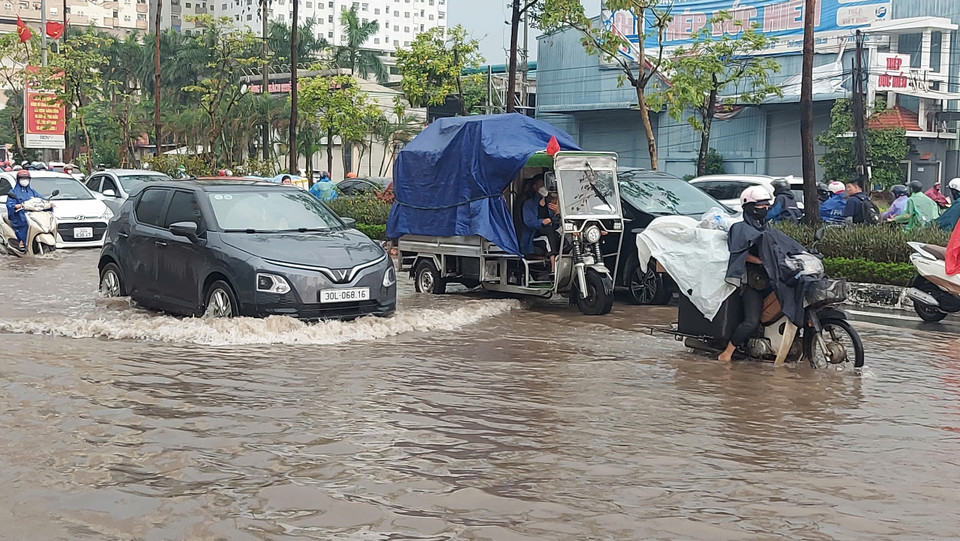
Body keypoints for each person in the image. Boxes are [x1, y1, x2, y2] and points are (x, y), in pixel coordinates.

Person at [718, 186, 774, 362]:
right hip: (751, 282)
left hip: (770, 278)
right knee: (751, 321)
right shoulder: (739, 229)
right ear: (749, 207)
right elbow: (739, 253)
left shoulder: (767, 227)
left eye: (767, 205)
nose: (764, 208)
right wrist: (761, 261)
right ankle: (727, 353)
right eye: (760, 205)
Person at [5, 171, 45, 252]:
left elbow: (40, 199)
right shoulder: (13, 192)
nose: (25, 180)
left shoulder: (32, 192)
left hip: (32, 215)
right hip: (19, 216)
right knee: (25, 223)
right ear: (18, 180)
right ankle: (22, 241)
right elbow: (10, 204)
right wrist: (15, 206)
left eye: (26, 179)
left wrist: (48, 204)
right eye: (22, 178)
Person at [520, 175, 559, 257]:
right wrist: (541, 222)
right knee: (549, 231)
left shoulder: (550, 202)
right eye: (541, 185)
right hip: (534, 233)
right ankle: (553, 264)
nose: (544, 188)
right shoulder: (529, 204)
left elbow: (556, 222)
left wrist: (557, 213)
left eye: (545, 185)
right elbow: (529, 222)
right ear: (535, 187)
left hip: (551, 231)